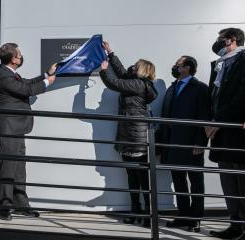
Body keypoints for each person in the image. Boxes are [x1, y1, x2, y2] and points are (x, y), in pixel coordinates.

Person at [0, 43, 56, 221]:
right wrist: (46, 83)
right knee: (7, 168)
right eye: (19, 54)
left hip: (17, 128)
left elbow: (27, 83)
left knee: (19, 168)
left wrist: (46, 74)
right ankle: (4, 208)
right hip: (7, 128)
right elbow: (26, 90)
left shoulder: (12, 74)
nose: (21, 57)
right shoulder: (3, 75)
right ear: (13, 59)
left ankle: (21, 205)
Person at [100, 41, 158, 227]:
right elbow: (122, 72)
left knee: (140, 178)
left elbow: (114, 82)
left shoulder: (138, 84)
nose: (132, 66)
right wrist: (110, 53)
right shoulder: (137, 82)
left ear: (142, 70)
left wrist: (103, 69)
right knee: (133, 177)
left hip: (136, 136)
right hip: (131, 135)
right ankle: (137, 211)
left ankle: (147, 215)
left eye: (136, 65)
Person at [157, 56, 209, 232]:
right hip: (173, 143)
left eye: (178, 65)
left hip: (191, 143)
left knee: (195, 181)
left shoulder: (200, 88)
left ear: (187, 68)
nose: (175, 66)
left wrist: (201, 142)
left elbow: (204, 116)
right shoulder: (173, 87)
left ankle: (196, 218)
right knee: (178, 180)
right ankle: (183, 215)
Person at [206, 28, 245, 239]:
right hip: (220, 131)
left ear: (231, 40)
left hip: (236, 131)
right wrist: (209, 121)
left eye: (220, 39)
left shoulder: (242, 59)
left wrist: (219, 121)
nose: (217, 43)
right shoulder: (220, 63)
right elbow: (214, 96)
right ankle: (235, 225)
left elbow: (241, 95)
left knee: (241, 180)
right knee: (228, 180)